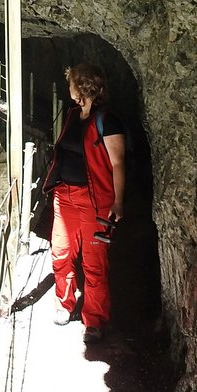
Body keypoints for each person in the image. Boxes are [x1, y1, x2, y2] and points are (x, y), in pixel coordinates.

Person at [38, 62, 126, 344]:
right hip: (64, 196)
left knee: (94, 264)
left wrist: (119, 202)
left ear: (83, 86)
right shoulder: (74, 114)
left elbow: (118, 162)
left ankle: (95, 320)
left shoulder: (107, 119)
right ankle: (64, 304)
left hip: (94, 201)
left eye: (72, 83)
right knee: (61, 253)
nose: (69, 89)